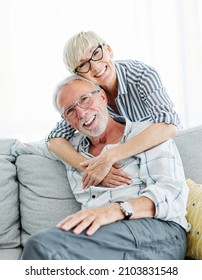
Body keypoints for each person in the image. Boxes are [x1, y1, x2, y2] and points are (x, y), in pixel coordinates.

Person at [22, 76, 189, 260]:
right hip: (101, 236)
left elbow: (172, 194)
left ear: (102, 96)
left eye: (84, 99)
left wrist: (115, 211)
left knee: (42, 246)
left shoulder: (147, 134)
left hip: (157, 231)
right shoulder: (71, 149)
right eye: (70, 110)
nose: (81, 113)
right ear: (66, 121)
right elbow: (20, 148)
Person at [47, 31, 181, 189]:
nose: (95, 67)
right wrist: (93, 169)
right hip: (126, 170)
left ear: (108, 50)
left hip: (159, 156)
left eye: (96, 53)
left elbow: (169, 125)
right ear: (77, 76)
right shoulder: (86, 100)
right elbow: (55, 140)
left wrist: (110, 156)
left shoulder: (141, 75)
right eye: (83, 65)